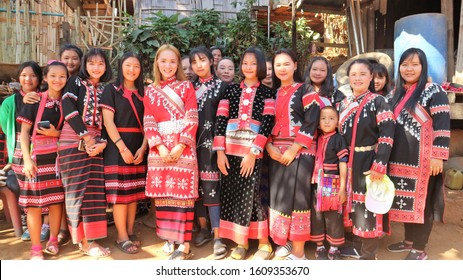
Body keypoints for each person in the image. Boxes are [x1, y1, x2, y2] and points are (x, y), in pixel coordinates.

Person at [387, 48, 450, 260]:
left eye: (415, 64)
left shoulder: (434, 91)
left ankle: (419, 249)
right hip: (399, 160)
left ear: (423, 67)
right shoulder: (396, 93)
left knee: (422, 205)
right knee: (406, 203)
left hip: (424, 161)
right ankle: (409, 242)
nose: (409, 69)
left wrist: (438, 155)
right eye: (405, 64)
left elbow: (442, 125)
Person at [213, 46, 275, 260]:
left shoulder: (268, 93)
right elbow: (220, 121)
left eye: (253, 63)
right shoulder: (229, 90)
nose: (249, 67)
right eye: (245, 63)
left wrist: (253, 153)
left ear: (260, 66)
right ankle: (242, 242)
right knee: (234, 195)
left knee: (255, 194)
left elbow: (267, 124)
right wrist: (220, 152)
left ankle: (265, 243)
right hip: (229, 153)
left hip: (253, 154)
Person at [144, 44, 199, 260]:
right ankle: (170, 238)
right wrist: (159, 146)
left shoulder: (186, 87)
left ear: (178, 65)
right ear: (157, 62)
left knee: (183, 196)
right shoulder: (150, 90)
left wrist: (179, 146)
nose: (168, 65)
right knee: (165, 194)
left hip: (182, 147)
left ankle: (184, 245)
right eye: (163, 61)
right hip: (159, 149)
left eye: (172, 61)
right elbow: (148, 121)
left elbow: (192, 118)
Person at [266, 48, 322, 260]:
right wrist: (269, 146)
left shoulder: (306, 90)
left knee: (298, 199)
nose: (282, 68)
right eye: (278, 65)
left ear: (296, 65)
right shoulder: (273, 93)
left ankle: (299, 253)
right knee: (281, 198)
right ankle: (287, 241)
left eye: (286, 64)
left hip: (301, 152)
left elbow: (312, 120)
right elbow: (267, 123)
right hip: (276, 153)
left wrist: (294, 148)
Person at [337, 58, 395, 260]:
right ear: (348, 78)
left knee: (367, 206)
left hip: (368, 161)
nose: (358, 78)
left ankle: (368, 254)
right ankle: (355, 245)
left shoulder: (379, 102)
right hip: (345, 162)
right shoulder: (343, 103)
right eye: (354, 74)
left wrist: (379, 165)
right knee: (349, 204)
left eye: (363, 74)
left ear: (371, 77)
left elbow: (387, 135)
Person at [59, 48, 112, 257]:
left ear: (106, 66)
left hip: (96, 144)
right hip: (73, 141)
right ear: (84, 65)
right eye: (91, 63)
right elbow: (68, 108)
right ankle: (82, 242)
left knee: (93, 193)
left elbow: (109, 121)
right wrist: (86, 136)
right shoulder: (75, 83)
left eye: (100, 63)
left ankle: (92, 240)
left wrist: (102, 143)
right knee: (77, 193)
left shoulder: (107, 89)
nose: (96, 67)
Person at [16, 61, 68, 259]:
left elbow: (71, 133)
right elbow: (24, 133)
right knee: (34, 205)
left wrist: (57, 132)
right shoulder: (35, 100)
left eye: (62, 76)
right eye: (53, 76)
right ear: (45, 78)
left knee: (56, 203)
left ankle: (53, 240)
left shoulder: (67, 102)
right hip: (36, 159)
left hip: (56, 161)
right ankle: (36, 248)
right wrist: (27, 161)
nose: (57, 80)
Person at [100, 52, 147, 254]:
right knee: (120, 194)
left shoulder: (144, 92)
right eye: (128, 65)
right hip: (117, 146)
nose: (132, 70)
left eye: (136, 66)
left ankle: (129, 231)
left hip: (138, 144)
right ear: (120, 67)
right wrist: (122, 147)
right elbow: (108, 122)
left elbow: (149, 123)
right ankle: (121, 237)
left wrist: (143, 147)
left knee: (134, 193)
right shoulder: (111, 90)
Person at [0, 61, 49, 242]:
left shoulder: (45, 97)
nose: (28, 79)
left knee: (43, 185)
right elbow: (6, 127)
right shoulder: (9, 103)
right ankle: (31, 224)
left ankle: (45, 223)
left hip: (43, 147)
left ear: (39, 78)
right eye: (24, 75)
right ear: (17, 77)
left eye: (33, 75)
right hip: (20, 150)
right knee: (26, 188)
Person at [189, 46, 228, 259]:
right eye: (194, 62)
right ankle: (203, 228)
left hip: (213, 146)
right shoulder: (189, 87)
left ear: (211, 61)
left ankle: (218, 235)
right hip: (190, 145)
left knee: (212, 187)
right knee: (196, 188)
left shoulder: (223, 87)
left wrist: (220, 147)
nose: (199, 65)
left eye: (202, 60)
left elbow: (224, 120)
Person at [310, 106, 348, 260]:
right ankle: (319, 247)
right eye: (323, 118)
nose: (327, 121)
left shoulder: (338, 139)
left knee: (333, 216)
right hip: (316, 183)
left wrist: (343, 188)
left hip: (332, 183)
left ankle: (333, 248)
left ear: (338, 122)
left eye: (331, 118)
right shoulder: (317, 138)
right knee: (317, 215)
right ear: (318, 122)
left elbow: (343, 162)